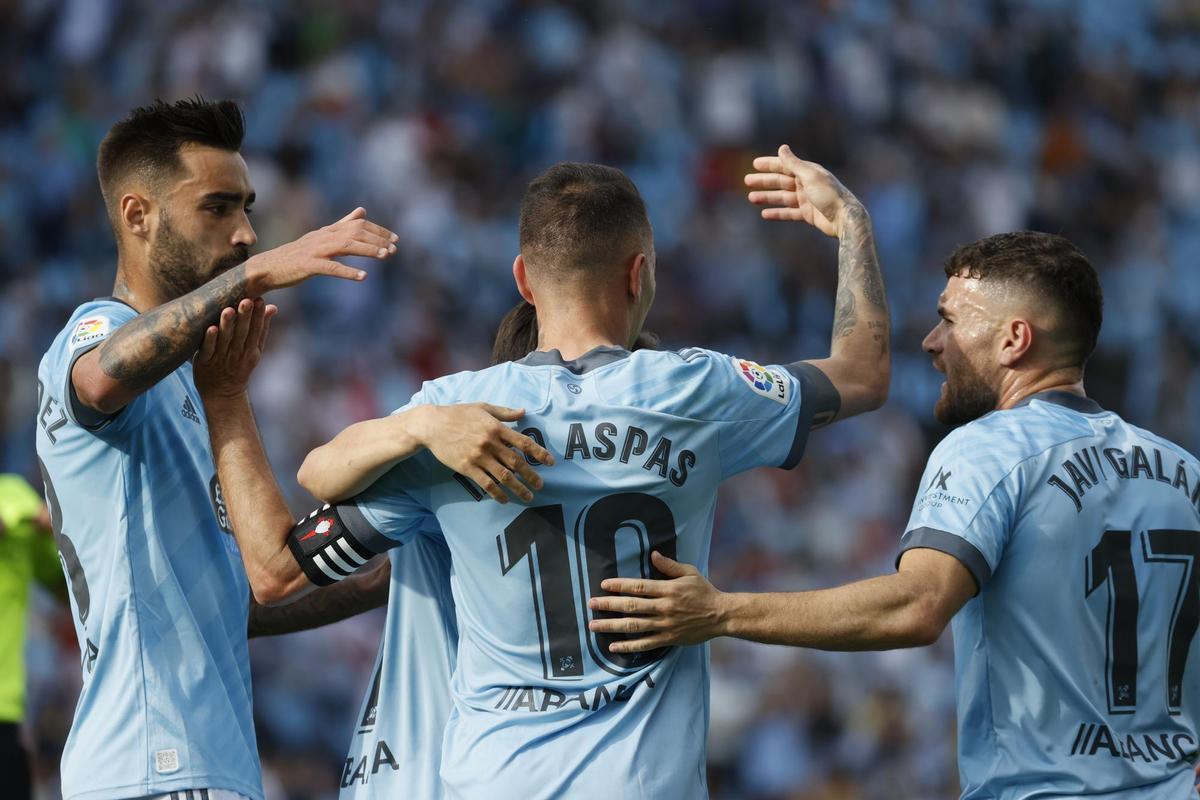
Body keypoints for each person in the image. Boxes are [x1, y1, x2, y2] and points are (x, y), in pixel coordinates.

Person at [193, 146, 890, 797]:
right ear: (639, 273)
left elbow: (277, 571)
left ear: (523, 280)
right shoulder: (698, 393)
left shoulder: (453, 419)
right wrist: (852, 223)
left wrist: (230, 400)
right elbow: (862, 374)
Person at [591, 228, 1200, 798]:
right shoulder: (1184, 473)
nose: (932, 343)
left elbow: (919, 605)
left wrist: (722, 612)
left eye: (950, 321)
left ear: (1014, 340)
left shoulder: (992, 445)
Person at [33, 95, 410, 800]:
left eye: (247, 210)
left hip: (199, 766)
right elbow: (102, 371)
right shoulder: (97, 330)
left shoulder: (197, 383)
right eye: (218, 208)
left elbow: (239, 603)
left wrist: (387, 578)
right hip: (154, 764)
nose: (245, 234)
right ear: (137, 216)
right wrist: (264, 272)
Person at [291, 301, 660, 798]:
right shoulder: (640, 500)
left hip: (412, 770)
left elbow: (283, 562)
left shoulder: (436, 468)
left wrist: (420, 428)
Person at [0, 474, 58, 800]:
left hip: (6, 711)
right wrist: (26, 510)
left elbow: (70, 588)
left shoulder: (9, 491)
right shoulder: (14, 498)